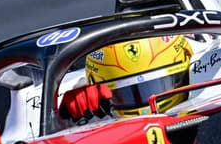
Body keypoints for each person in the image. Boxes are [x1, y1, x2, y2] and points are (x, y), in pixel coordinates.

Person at [59, 35, 193, 120]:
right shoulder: (83, 94)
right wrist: (62, 118)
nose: (146, 108)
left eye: (157, 86)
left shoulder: (205, 63)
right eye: (125, 94)